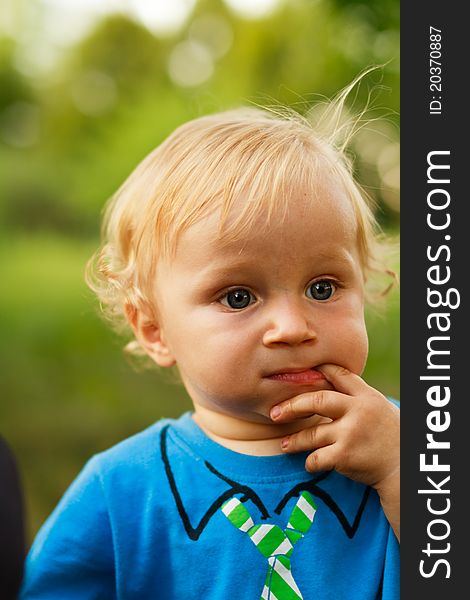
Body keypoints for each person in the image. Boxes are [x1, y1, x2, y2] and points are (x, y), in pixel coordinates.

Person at [20, 88, 399, 599]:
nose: (292, 326)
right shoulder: (122, 493)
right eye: (239, 296)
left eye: (323, 288)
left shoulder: (411, 447)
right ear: (154, 329)